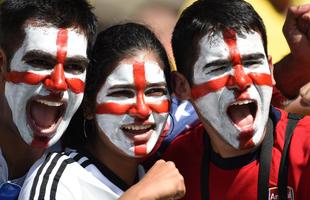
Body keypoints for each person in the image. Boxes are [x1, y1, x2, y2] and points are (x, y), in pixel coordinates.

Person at [162, 0, 310, 199]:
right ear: (181, 86)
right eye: (217, 68)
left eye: (252, 62)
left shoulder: (305, 146)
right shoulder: (175, 165)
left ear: (270, 68)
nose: (241, 81)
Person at [19, 23, 185, 200]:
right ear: (88, 106)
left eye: (155, 91)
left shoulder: (156, 179)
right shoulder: (57, 181)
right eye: (122, 93)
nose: (142, 110)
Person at [0, 0, 97, 196]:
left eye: (74, 66)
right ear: (2, 63)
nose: (58, 83)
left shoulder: (92, 171)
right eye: (39, 61)